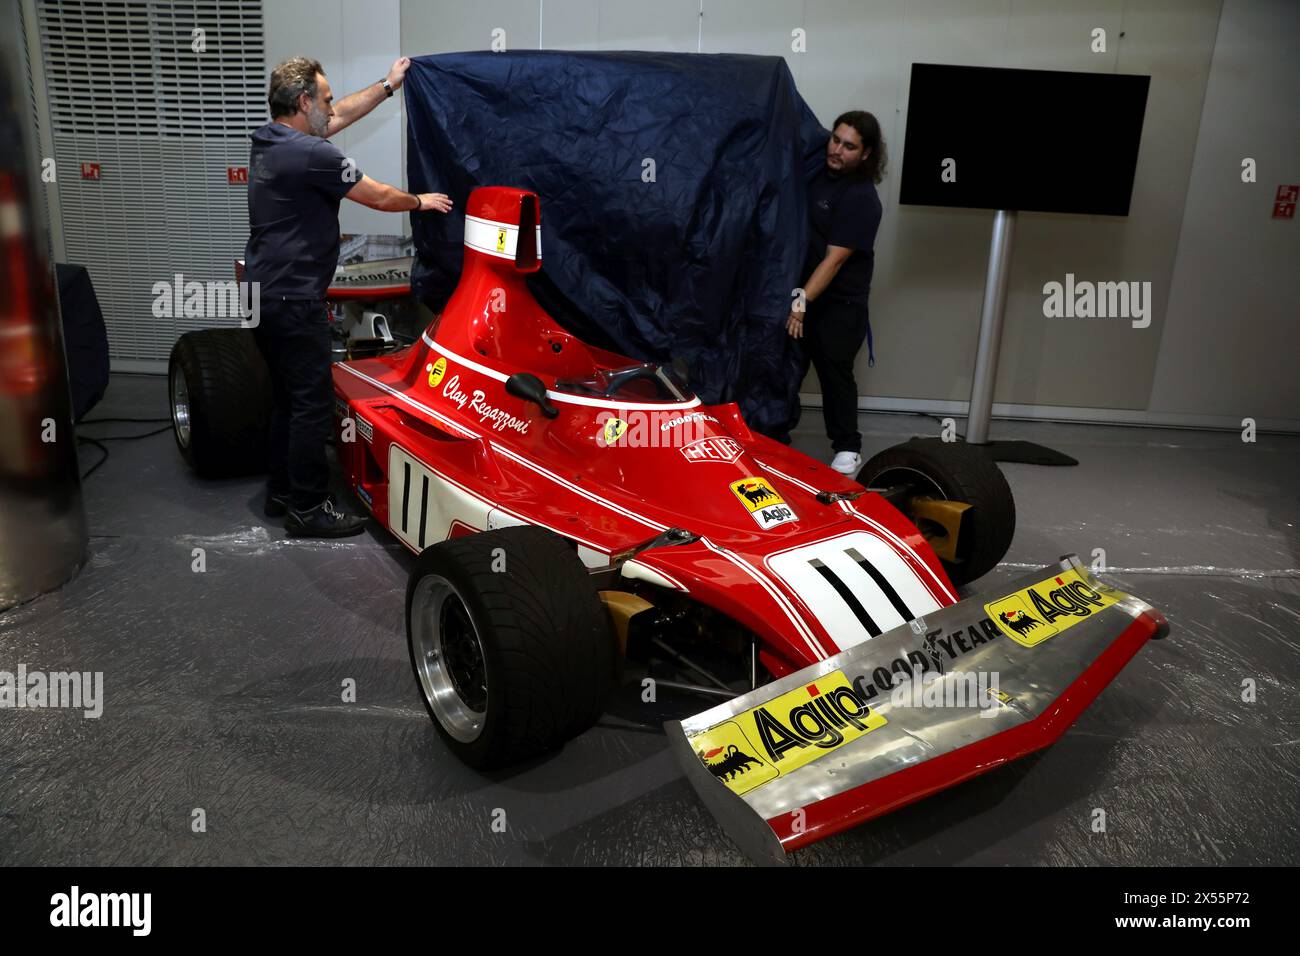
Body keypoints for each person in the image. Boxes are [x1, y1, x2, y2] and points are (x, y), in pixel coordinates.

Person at [245, 56, 453, 537]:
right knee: (313, 404)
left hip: (262, 295)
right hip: (294, 300)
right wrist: (421, 201)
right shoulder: (315, 155)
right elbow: (378, 197)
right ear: (303, 103)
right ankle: (309, 507)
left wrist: (387, 85)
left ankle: (282, 492)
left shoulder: (271, 140)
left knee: (287, 400)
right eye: (325, 98)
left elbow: (333, 121)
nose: (332, 107)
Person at [785, 110, 887, 476]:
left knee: (834, 374)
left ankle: (848, 449)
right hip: (806, 296)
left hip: (839, 306)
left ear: (865, 154)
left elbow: (834, 260)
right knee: (786, 370)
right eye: (835, 139)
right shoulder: (816, 176)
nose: (837, 149)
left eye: (849, 146)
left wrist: (800, 305)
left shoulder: (861, 198)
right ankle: (774, 435)